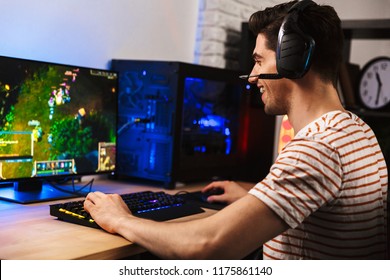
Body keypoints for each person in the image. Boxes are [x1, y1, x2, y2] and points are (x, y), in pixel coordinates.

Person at [84, 0, 388, 259]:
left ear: (292, 60)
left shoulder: (318, 148)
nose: (252, 76)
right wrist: (250, 196)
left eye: (258, 61)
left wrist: (120, 219)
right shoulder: (355, 129)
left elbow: (207, 245)